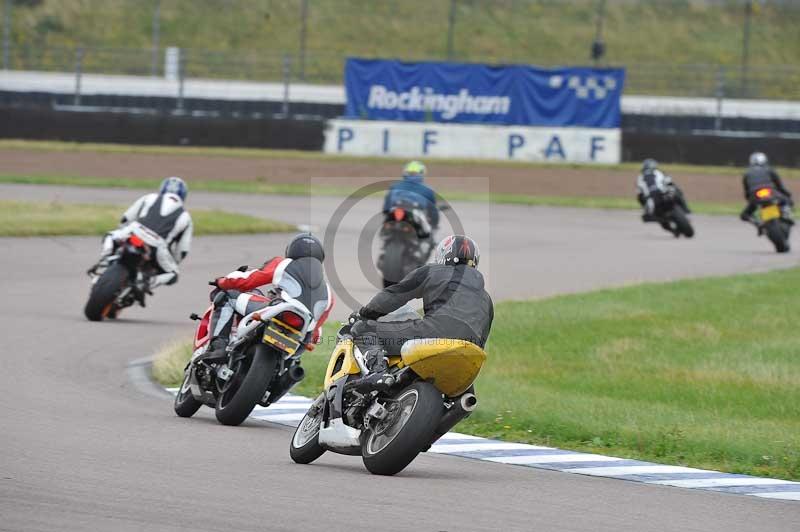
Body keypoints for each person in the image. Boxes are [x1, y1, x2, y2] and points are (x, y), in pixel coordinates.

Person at [350, 234, 493, 390]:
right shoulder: (487, 299)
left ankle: (378, 372)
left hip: (436, 331)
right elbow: (482, 339)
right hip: (470, 350)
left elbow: (394, 296)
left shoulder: (433, 271)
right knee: (463, 386)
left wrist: (365, 314)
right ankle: (460, 401)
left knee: (364, 329)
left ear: (444, 255)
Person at [202, 233, 334, 361]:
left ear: (292, 250)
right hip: (303, 333)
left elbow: (248, 280)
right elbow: (317, 329)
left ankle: (217, 347)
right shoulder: (328, 291)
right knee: (312, 338)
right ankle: (289, 368)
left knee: (227, 297)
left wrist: (221, 281)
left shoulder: (283, 264)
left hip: (280, 310)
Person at [92, 176, 193, 294]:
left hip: (134, 232)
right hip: (157, 246)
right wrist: (172, 262)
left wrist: (123, 233)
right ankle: (146, 284)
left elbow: (126, 219)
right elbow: (182, 251)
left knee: (109, 236)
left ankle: (105, 260)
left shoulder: (150, 197)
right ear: (183, 196)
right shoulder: (186, 217)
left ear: (162, 189)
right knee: (173, 274)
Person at [383, 161, 439, 240]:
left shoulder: (395, 186)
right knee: (427, 234)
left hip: (398, 210)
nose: (413, 175)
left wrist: (386, 212)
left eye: (414, 173)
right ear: (421, 173)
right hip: (413, 212)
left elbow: (387, 205)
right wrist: (434, 223)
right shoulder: (427, 190)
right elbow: (433, 210)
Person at [636, 159, 691, 231]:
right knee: (677, 191)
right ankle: (686, 210)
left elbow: (640, 195)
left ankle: (672, 228)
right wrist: (671, 189)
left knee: (657, 214)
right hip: (663, 194)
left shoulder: (640, 177)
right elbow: (669, 182)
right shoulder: (659, 172)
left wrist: (645, 207)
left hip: (652, 201)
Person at [739, 152, 793, 224]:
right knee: (787, 201)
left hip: (755, 194)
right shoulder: (770, 169)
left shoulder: (747, 173)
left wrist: (750, 201)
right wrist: (787, 194)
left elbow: (747, 191)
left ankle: (757, 222)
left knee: (744, 215)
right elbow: (779, 186)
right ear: (764, 160)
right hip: (769, 191)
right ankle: (786, 214)